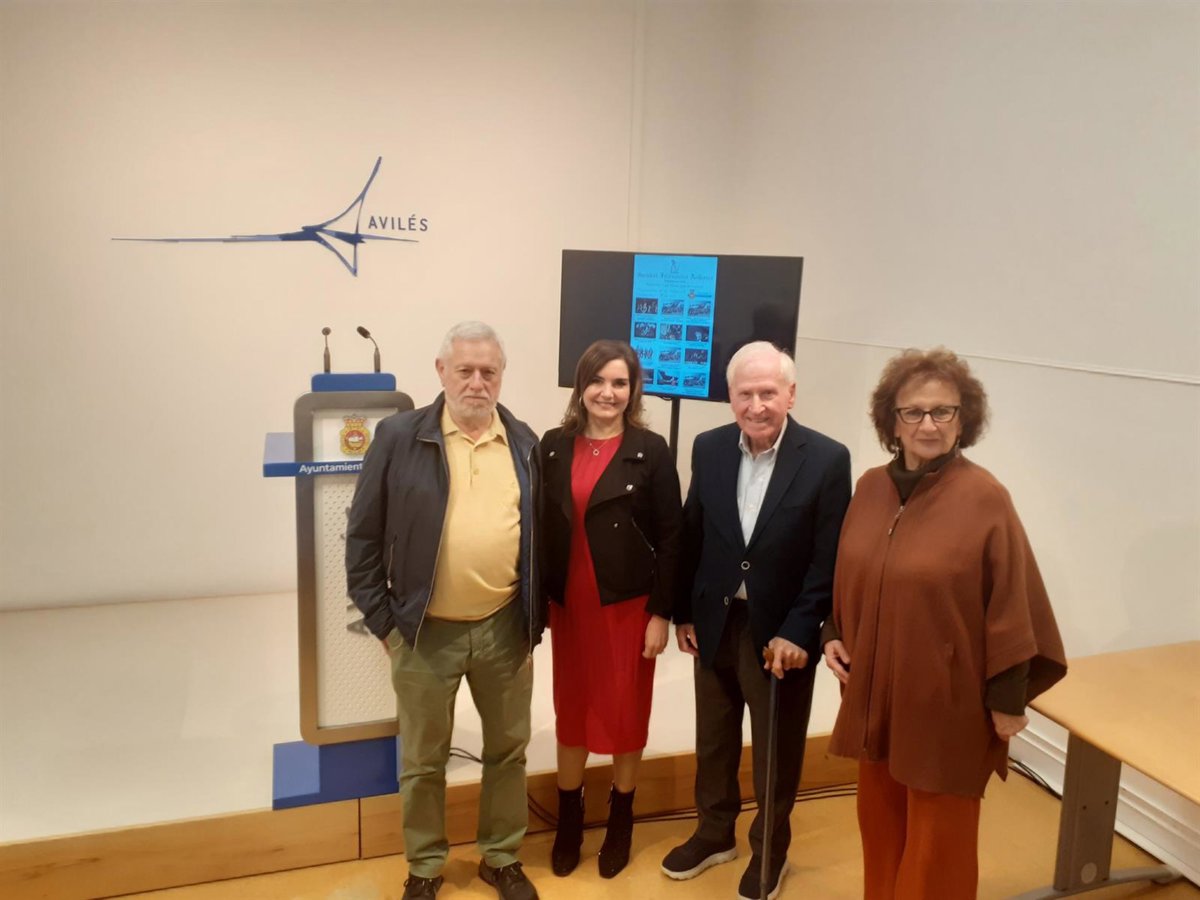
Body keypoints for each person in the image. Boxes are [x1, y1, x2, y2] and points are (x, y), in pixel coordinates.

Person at [823, 347, 1067, 900]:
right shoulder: (870, 488)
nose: (928, 424)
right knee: (881, 827)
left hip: (947, 703)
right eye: (913, 411)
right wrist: (830, 633)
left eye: (943, 411)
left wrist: (1007, 700)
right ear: (892, 422)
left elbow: (1013, 602)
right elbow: (849, 572)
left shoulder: (985, 498)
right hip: (875, 696)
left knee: (938, 842)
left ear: (964, 419)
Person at [345, 321, 542, 900]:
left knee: (507, 751)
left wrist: (533, 619)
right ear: (441, 372)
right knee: (423, 760)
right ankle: (426, 866)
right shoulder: (398, 438)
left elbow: (543, 537)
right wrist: (386, 623)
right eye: (465, 370)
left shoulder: (526, 443)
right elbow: (362, 539)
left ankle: (501, 856)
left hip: (504, 627)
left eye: (489, 372)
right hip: (423, 632)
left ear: (501, 376)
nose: (477, 382)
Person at [662, 341, 851, 900]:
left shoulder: (827, 459)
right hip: (715, 621)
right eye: (745, 393)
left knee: (775, 750)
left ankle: (771, 849)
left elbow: (828, 559)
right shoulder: (710, 447)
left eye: (768, 392)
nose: (757, 405)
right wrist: (683, 612)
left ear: (790, 394)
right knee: (713, 740)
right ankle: (714, 833)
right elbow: (694, 531)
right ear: (730, 398)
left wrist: (800, 629)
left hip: (782, 633)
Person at [540, 339, 683, 879]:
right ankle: (569, 821)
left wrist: (662, 614)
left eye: (619, 382)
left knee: (625, 714)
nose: (608, 392)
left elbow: (672, 538)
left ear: (633, 390)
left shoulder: (651, 449)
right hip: (571, 607)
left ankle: (621, 820)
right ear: (581, 386)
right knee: (571, 711)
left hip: (627, 608)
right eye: (598, 380)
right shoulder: (554, 446)